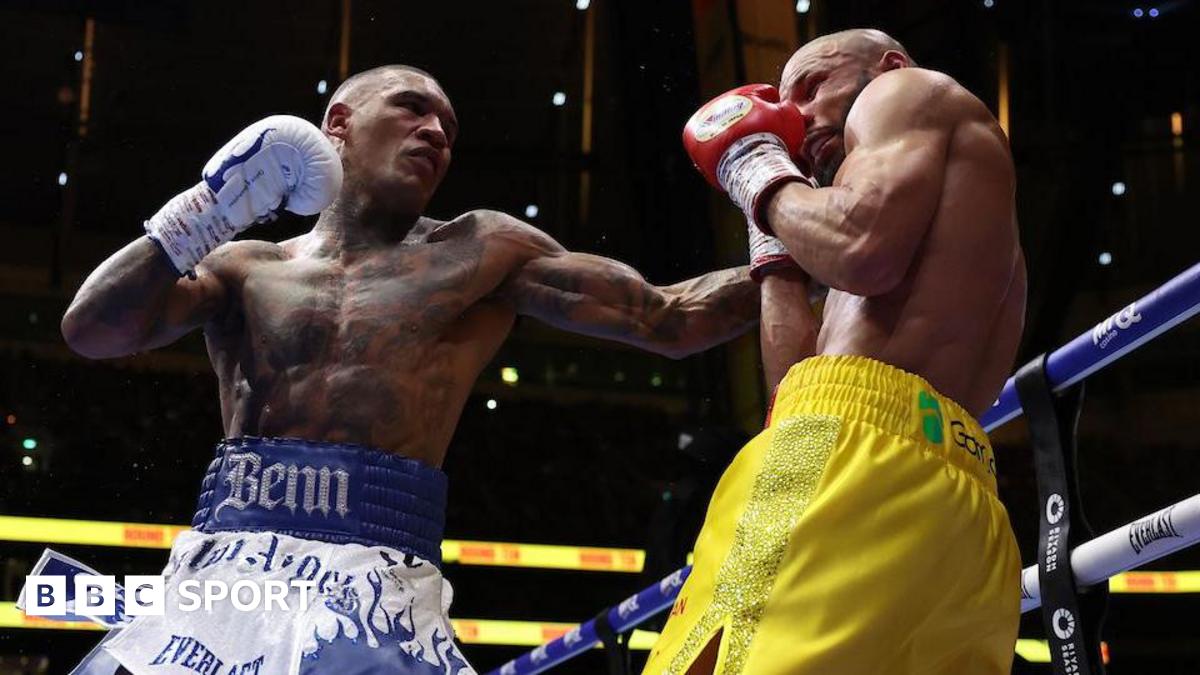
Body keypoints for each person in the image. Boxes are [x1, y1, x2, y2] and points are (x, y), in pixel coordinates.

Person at [59, 65, 761, 675]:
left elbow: (670, 318)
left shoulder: (481, 251)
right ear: (339, 123)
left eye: (448, 128)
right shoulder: (246, 265)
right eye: (412, 108)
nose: (436, 133)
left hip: (378, 578)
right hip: (227, 570)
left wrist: (786, 218)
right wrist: (205, 212)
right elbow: (92, 330)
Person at [646, 29, 1026, 674]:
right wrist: (769, 234)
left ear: (889, 64)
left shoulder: (906, 91)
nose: (795, 116)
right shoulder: (947, 213)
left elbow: (860, 249)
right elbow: (793, 393)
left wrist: (756, 171)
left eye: (813, 86)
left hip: (850, 464)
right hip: (961, 500)